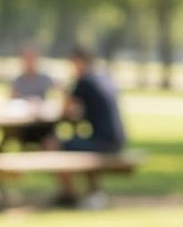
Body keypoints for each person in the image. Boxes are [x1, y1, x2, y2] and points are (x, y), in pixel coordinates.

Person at [47, 45, 127, 207]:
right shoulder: (104, 78)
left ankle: (68, 194)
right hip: (117, 140)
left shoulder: (84, 81)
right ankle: (93, 192)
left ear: (78, 62)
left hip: (104, 143)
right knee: (82, 143)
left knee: (52, 143)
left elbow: (66, 110)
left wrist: (64, 91)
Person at [10, 44, 57, 145]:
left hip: (43, 123)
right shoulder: (18, 80)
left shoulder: (45, 78)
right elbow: (11, 101)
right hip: (22, 125)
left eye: (32, 58)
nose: (29, 62)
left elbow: (60, 93)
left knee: (51, 140)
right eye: (26, 58)